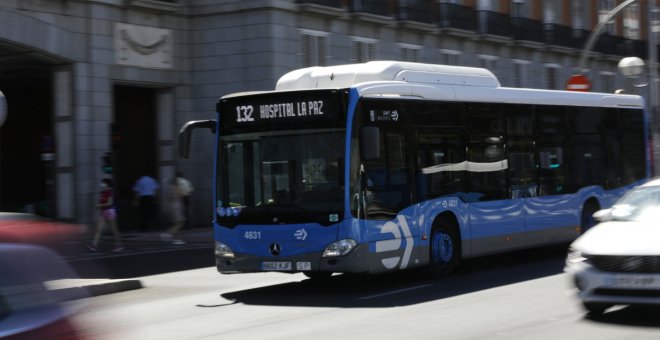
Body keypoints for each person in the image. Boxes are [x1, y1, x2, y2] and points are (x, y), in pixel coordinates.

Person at [88, 178, 123, 252]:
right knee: (98, 229)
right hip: (103, 212)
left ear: (107, 183)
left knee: (114, 229)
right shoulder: (102, 192)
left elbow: (110, 203)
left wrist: (99, 205)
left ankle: (119, 245)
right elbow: (101, 202)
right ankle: (93, 246)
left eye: (103, 183)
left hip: (110, 211)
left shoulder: (110, 192)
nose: (101, 184)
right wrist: (99, 206)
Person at [160, 172, 193, 245]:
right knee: (180, 222)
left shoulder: (170, 188)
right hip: (176, 206)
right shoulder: (176, 188)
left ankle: (174, 237)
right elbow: (185, 194)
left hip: (172, 206)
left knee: (178, 223)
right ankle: (167, 234)